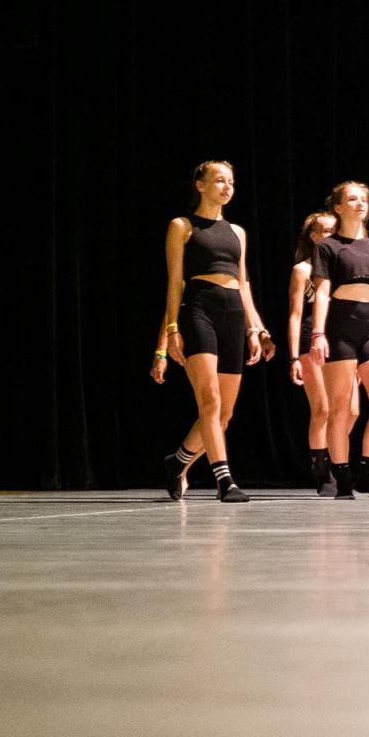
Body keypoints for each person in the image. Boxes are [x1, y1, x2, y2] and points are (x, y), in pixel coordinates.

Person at [150, 160, 275, 503]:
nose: (226, 187)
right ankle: (225, 481)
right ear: (200, 185)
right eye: (218, 180)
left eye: (231, 182)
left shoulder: (238, 233)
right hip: (198, 309)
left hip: (233, 313)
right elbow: (175, 282)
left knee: (224, 414)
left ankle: (177, 462)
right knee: (210, 400)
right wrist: (171, 332)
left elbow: (244, 283)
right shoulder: (183, 226)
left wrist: (257, 329)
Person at [310, 181, 369, 500]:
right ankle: (343, 477)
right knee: (339, 408)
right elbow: (321, 292)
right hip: (340, 329)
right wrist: (318, 334)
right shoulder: (329, 247)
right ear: (338, 207)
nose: (360, 204)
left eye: (364, 199)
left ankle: (367, 472)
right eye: (352, 199)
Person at [287, 211, 358, 496]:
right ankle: (321, 471)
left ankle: (331, 456)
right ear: (314, 236)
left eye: (335, 230)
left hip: (341, 338)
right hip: (310, 337)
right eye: (325, 231)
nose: (331, 235)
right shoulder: (303, 270)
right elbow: (294, 314)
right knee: (323, 407)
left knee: (351, 409)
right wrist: (293, 356)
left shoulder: (343, 268)